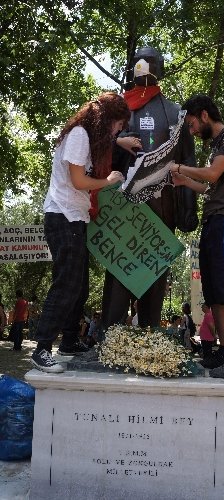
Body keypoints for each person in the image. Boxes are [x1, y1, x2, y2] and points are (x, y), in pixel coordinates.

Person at [31, 92, 130, 373]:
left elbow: (107, 143)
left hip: (73, 217)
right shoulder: (79, 136)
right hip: (63, 215)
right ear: (107, 118)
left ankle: (70, 341)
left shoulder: (87, 135)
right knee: (67, 284)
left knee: (80, 285)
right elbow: (77, 180)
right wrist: (108, 181)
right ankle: (41, 349)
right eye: (119, 124)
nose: (118, 130)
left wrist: (119, 142)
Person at [101, 46, 196, 330]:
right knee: (119, 269)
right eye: (138, 61)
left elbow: (186, 160)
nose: (143, 65)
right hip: (124, 207)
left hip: (163, 206)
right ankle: (111, 334)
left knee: (155, 269)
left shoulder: (176, 112)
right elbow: (96, 152)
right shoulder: (118, 111)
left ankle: (150, 332)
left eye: (149, 61)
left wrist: (188, 209)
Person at [170, 94, 224, 378]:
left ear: (204, 115)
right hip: (212, 221)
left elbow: (212, 174)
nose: (193, 131)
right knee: (216, 294)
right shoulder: (216, 146)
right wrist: (185, 182)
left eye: (193, 124)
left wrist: (180, 168)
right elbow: (211, 187)